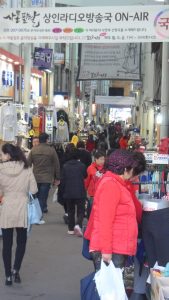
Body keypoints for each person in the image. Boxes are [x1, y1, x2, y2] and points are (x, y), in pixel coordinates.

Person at [84, 150, 146, 272]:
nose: (135, 176)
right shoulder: (110, 185)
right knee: (110, 288)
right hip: (112, 248)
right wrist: (106, 250)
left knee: (112, 287)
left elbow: (135, 210)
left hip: (117, 246)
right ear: (125, 168)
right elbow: (105, 220)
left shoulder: (120, 183)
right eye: (134, 171)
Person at [0, 143, 37, 286]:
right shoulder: (27, 168)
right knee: (21, 242)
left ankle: (8, 275)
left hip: (7, 208)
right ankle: (16, 269)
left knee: (7, 244)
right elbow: (33, 190)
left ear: (8, 155)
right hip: (22, 207)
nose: (1, 157)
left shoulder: (0, 169)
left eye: (2, 154)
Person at [28, 132, 60, 223]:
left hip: (35, 177)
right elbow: (57, 164)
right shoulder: (51, 150)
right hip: (47, 178)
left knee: (35, 197)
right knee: (43, 197)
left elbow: (28, 164)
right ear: (46, 140)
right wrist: (57, 177)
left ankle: (34, 216)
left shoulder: (33, 150)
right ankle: (39, 216)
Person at [60, 149, 87, 237]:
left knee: (70, 210)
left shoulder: (65, 166)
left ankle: (71, 229)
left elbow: (62, 180)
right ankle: (78, 224)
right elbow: (85, 176)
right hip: (80, 191)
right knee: (81, 210)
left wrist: (62, 192)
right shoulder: (82, 166)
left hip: (68, 191)